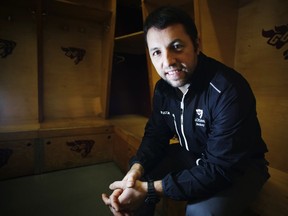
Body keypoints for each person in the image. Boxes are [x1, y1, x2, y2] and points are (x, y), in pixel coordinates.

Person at [102, 6, 270, 216]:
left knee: (200, 212)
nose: (168, 61)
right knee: (139, 175)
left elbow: (219, 169)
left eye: (177, 47)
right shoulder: (163, 88)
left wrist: (148, 190)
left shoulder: (228, 89)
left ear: (196, 45)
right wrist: (135, 171)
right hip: (192, 155)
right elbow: (155, 135)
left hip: (240, 168)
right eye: (157, 52)